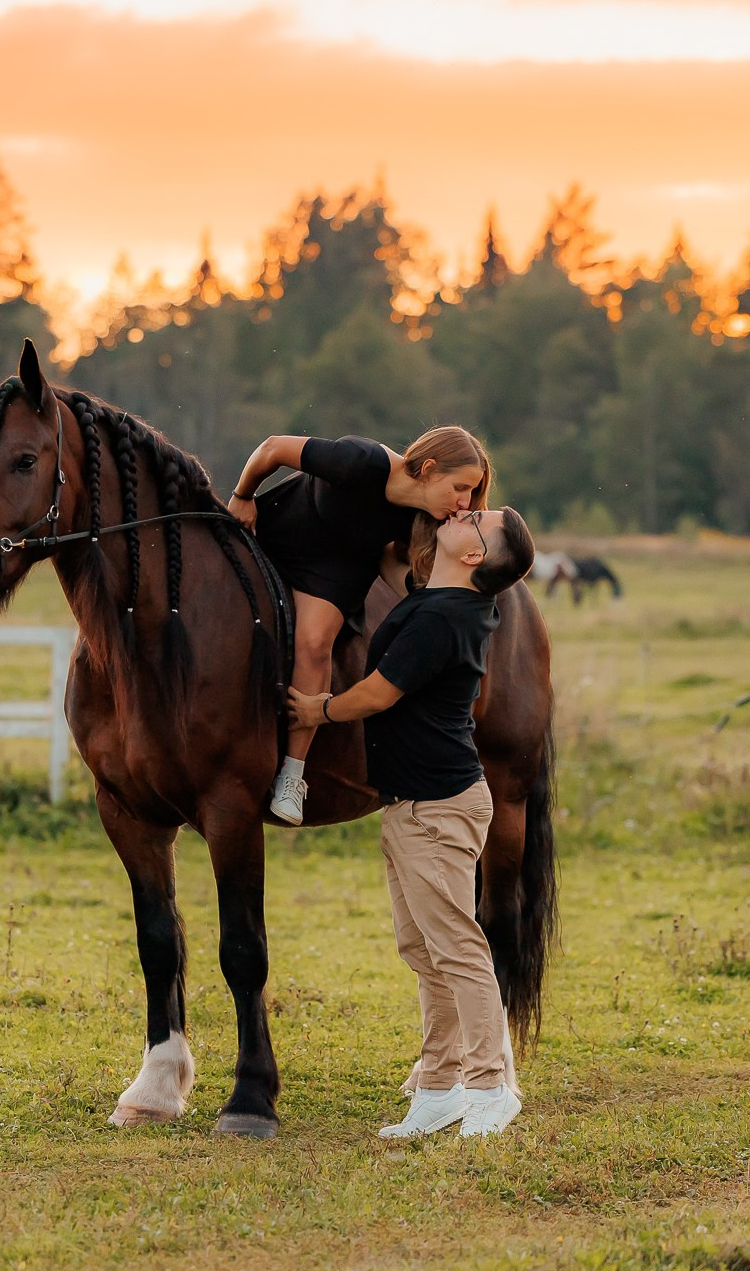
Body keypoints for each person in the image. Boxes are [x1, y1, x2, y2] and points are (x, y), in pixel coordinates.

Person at [287, 506, 536, 1138]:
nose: (465, 513)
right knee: (423, 949)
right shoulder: (435, 597)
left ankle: (488, 1087)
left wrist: (319, 708)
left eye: (477, 519)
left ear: (476, 555)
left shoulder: (448, 617)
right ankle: (437, 1084)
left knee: (456, 946)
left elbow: (378, 692)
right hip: (410, 805)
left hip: (438, 808)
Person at [227, 427, 490, 825]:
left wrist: (442, 603)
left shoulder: (423, 518)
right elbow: (274, 448)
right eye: (460, 487)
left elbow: (396, 562)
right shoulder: (362, 461)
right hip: (282, 528)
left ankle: (291, 775)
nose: (464, 501)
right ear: (431, 468)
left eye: (470, 492)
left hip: (336, 571)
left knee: (315, 643)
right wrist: (242, 496)